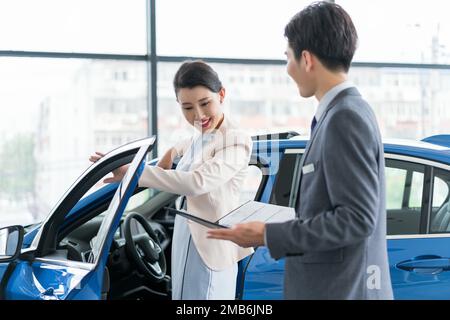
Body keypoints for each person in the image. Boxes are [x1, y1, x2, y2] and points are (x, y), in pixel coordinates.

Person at [208, 1, 393, 300]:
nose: (287, 68)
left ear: (306, 59)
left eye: (288, 57)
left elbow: (357, 219)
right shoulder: (340, 112)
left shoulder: (345, 117)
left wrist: (267, 235)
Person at [90, 61, 253, 300]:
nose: (198, 115)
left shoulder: (236, 140)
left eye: (205, 103)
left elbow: (196, 182)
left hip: (211, 249)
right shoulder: (203, 134)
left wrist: (136, 173)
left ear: (222, 94)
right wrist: (171, 152)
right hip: (187, 240)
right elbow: (189, 145)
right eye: (187, 107)